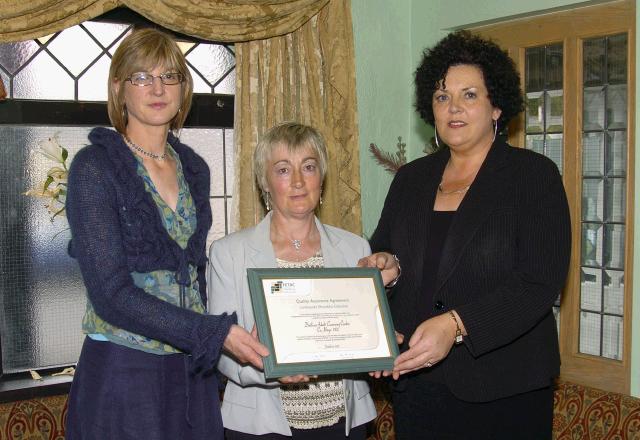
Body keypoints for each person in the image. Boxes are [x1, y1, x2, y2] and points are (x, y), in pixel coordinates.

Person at [64, 28, 268, 440]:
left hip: (191, 370)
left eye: (169, 76)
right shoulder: (94, 167)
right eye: (142, 77)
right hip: (123, 370)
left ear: (183, 88)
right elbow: (110, 294)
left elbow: (193, 276)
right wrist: (213, 332)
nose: (157, 88)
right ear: (119, 88)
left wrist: (247, 324)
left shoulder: (194, 168)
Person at [368, 31, 571, 439]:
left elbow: (539, 282)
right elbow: (384, 253)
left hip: (504, 390)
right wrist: (387, 271)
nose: (453, 108)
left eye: (469, 95)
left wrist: (457, 325)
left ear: (497, 106)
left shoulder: (533, 176)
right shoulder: (411, 179)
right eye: (442, 97)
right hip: (417, 386)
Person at [208, 122, 398, 439]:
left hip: (345, 422)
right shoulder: (229, 253)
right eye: (283, 169)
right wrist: (266, 368)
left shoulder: (355, 248)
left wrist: (377, 343)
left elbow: (363, 329)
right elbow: (221, 351)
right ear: (264, 182)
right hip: (261, 425)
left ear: (320, 177)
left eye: (308, 167)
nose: (297, 181)